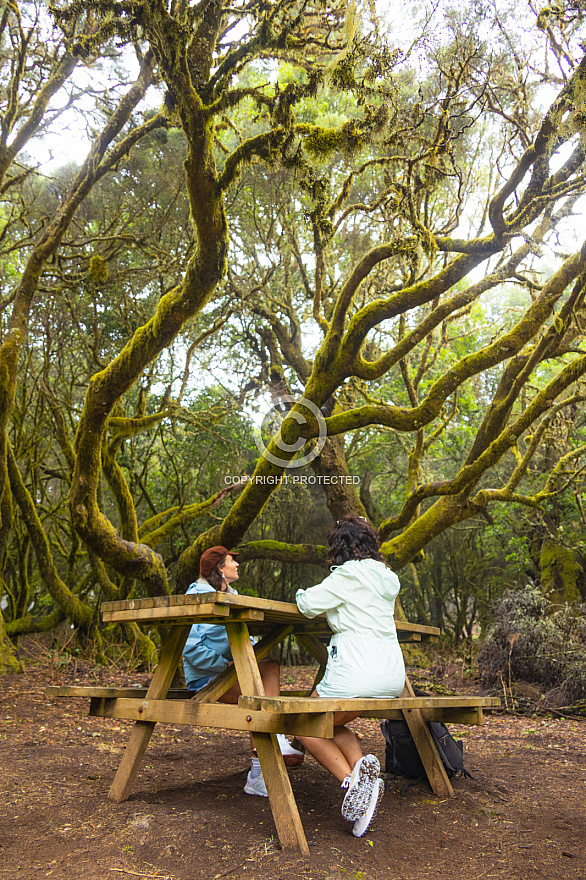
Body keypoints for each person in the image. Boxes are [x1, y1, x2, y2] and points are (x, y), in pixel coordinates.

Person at [295, 516, 405, 837]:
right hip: (390, 675)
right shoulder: (387, 578)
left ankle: (351, 784)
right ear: (370, 543)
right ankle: (364, 776)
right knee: (330, 721)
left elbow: (306, 604)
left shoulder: (346, 576)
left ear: (339, 547)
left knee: (301, 724)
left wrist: (302, 590)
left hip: (356, 673)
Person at [182, 545, 304, 796]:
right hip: (206, 679)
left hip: (229, 675)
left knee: (269, 666)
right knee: (256, 694)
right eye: (231, 561)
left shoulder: (233, 595)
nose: (237, 565)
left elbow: (240, 639)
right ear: (219, 568)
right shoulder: (198, 595)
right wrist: (224, 665)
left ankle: (273, 742)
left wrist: (252, 654)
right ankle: (259, 773)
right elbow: (190, 648)